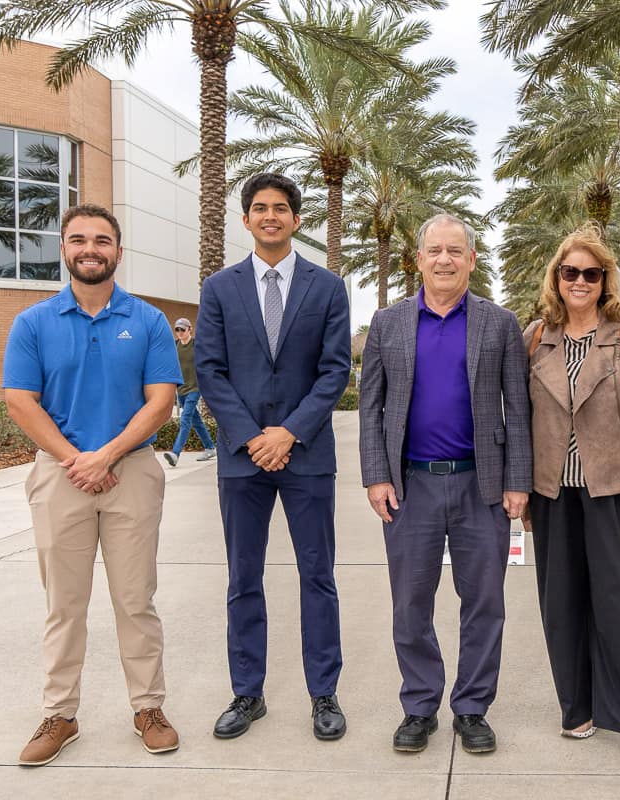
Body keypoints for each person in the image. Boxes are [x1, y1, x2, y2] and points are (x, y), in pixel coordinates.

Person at [3, 203, 183, 766]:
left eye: (101, 240)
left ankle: (148, 708)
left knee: (135, 600)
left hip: (132, 472)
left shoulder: (149, 320)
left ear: (118, 253)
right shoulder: (33, 322)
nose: (90, 249)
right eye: (78, 239)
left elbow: (161, 401)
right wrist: (76, 460)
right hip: (60, 476)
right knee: (64, 604)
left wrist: (106, 455)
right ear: (64, 249)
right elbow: (20, 401)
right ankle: (60, 713)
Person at [359, 213, 532, 755]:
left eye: (455, 251)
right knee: (411, 603)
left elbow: (518, 408)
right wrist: (376, 475)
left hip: (482, 487)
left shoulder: (499, 323)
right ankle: (419, 706)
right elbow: (371, 407)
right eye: (434, 250)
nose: (444, 259)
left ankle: (472, 707)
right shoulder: (387, 323)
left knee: (484, 603)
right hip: (410, 488)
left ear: (472, 260)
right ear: (419, 259)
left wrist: (517, 481)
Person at [195, 173, 352, 742]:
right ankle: (247, 693)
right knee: (243, 578)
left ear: (296, 219)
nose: (270, 216)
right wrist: (251, 437)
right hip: (243, 459)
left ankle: (323, 693)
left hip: (306, 456)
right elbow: (210, 369)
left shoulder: (327, 287)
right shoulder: (219, 288)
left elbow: (335, 370)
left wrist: (288, 433)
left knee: (318, 576)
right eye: (259, 208)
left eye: (280, 208)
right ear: (245, 220)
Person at [523, 227, 620, 768]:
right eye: (571, 272)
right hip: (553, 495)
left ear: (605, 279)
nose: (580, 281)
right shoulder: (535, 338)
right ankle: (577, 708)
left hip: (615, 492)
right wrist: (522, 491)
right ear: (557, 278)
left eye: (591, 273)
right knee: (561, 605)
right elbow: (521, 417)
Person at [163, 317, 216, 466]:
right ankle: (210, 447)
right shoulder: (175, 346)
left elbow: (208, 362)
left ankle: (175, 453)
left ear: (189, 329)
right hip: (181, 389)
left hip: (195, 388)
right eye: (177, 330)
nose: (180, 332)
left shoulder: (197, 345)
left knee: (185, 418)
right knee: (195, 420)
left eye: (182, 329)